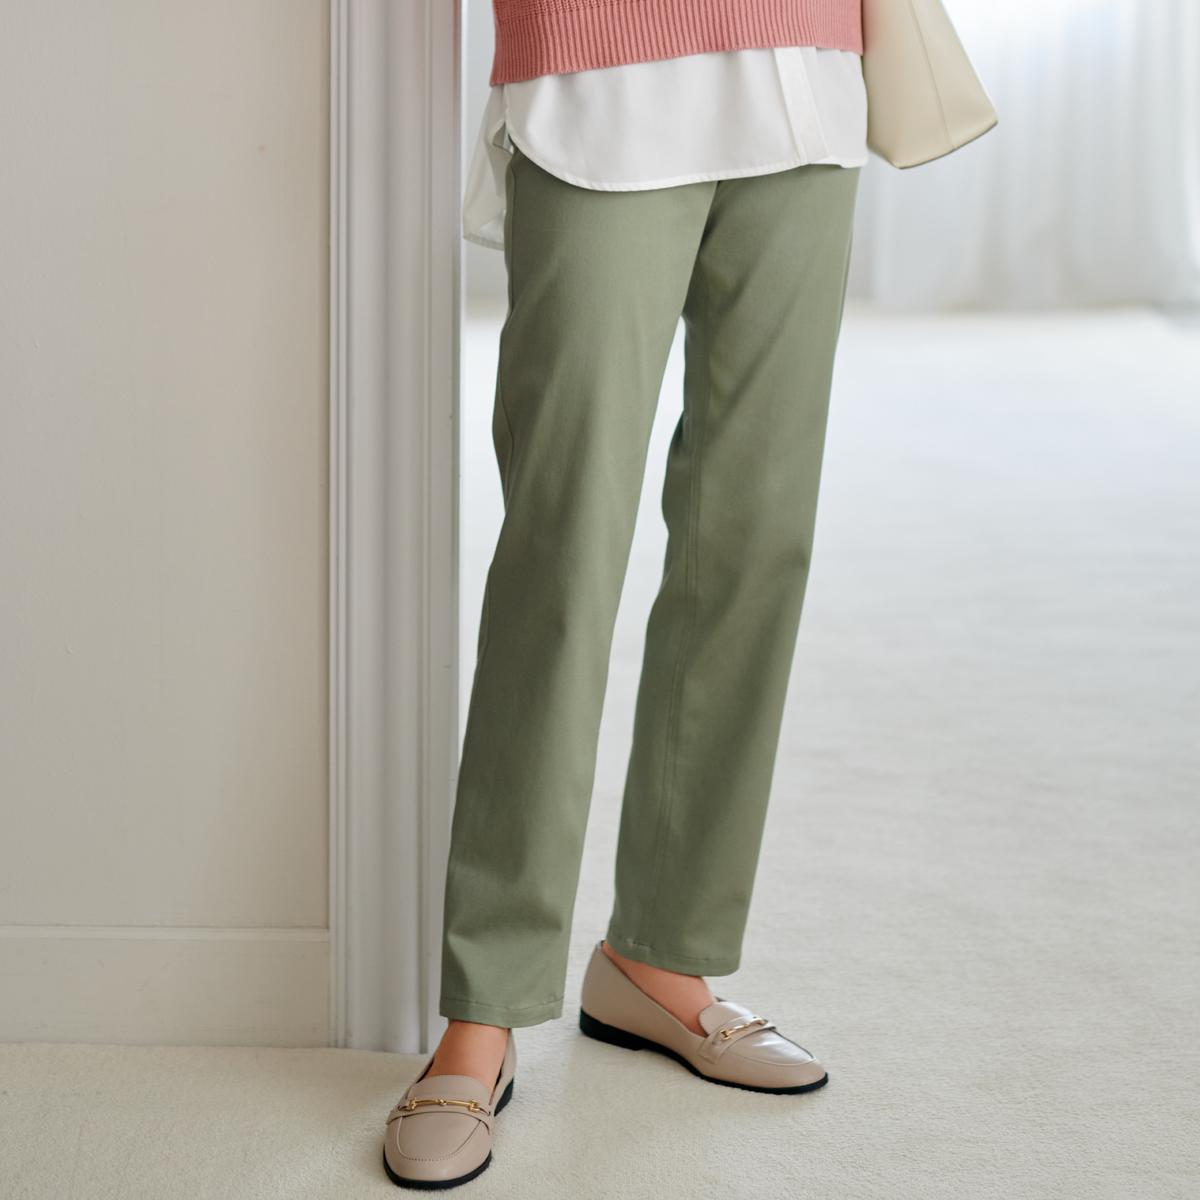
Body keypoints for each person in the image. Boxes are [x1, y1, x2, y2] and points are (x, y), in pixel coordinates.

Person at [383, 0, 867, 1188]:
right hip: (601, 78)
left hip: (803, 74)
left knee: (754, 540)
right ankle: (484, 1008)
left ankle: (661, 956)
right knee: (564, 550)